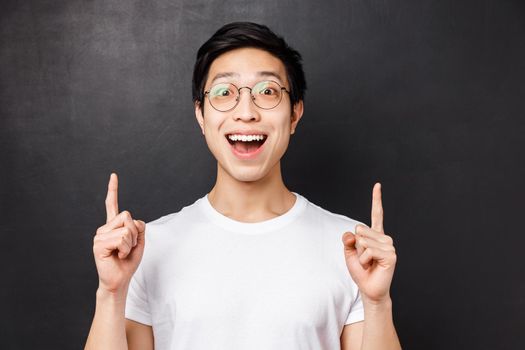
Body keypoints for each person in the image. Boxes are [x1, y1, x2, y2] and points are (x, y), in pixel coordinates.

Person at [85, 22, 401, 350]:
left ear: (294, 114)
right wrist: (110, 294)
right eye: (225, 93)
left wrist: (377, 303)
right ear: (201, 116)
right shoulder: (147, 248)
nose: (246, 112)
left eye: (267, 91)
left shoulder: (350, 246)